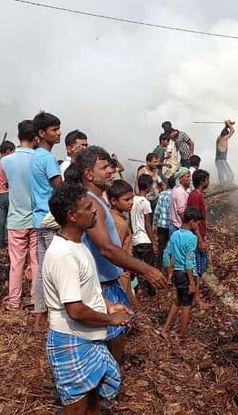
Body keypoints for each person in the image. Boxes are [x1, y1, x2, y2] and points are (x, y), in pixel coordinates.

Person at [43, 182, 130, 414]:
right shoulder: (64, 254)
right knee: (77, 409)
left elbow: (88, 292)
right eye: (88, 208)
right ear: (72, 216)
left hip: (87, 338)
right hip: (72, 340)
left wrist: (109, 306)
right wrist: (110, 319)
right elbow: (75, 310)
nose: (95, 212)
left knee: (93, 404)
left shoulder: (78, 245)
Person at [74, 146, 167, 363]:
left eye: (111, 166)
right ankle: (108, 380)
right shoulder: (91, 203)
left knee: (116, 337)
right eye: (104, 167)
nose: (111, 171)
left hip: (108, 282)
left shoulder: (99, 200)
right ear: (89, 174)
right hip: (101, 285)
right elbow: (106, 248)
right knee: (109, 341)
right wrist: (146, 269)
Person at [1, 120, 40, 310]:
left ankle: (14, 301)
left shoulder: (6, 161)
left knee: (16, 263)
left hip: (16, 219)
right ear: (37, 137)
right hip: (37, 218)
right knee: (37, 261)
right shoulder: (40, 159)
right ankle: (36, 299)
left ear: (18, 136)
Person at [30, 111, 64, 330]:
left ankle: (40, 318)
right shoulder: (49, 159)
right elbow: (60, 188)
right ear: (42, 133)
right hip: (52, 220)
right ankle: (57, 317)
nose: (58, 133)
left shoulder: (35, 157)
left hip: (39, 219)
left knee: (43, 271)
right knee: (57, 270)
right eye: (54, 130)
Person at [161, 207, 203, 337]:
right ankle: (182, 335)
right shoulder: (192, 238)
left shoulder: (175, 234)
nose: (197, 227)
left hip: (177, 274)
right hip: (187, 275)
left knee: (178, 300)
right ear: (191, 222)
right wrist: (192, 282)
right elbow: (189, 262)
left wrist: (169, 273)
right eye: (197, 224)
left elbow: (166, 254)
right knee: (186, 305)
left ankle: (165, 329)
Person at [107, 180, 138, 307]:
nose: (131, 202)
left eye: (132, 198)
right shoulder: (119, 224)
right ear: (114, 201)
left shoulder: (115, 218)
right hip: (120, 274)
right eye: (126, 200)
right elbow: (114, 251)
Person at [186, 169, 211, 307]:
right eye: (207, 179)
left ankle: (196, 295)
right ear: (202, 181)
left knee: (198, 267)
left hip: (197, 235)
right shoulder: (196, 196)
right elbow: (193, 220)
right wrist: (200, 239)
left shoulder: (196, 195)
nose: (209, 182)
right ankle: (196, 298)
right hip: (196, 237)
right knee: (197, 268)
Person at [131, 174, 157, 296]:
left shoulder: (132, 200)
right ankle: (152, 292)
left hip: (135, 239)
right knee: (149, 267)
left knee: (137, 268)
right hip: (145, 239)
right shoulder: (145, 202)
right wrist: (154, 242)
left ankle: (138, 290)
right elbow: (147, 224)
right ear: (148, 186)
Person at [153, 177, 175, 270]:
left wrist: (154, 224)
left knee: (161, 248)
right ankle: (169, 269)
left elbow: (157, 211)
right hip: (172, 225)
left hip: (161, 225)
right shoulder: (175, 195)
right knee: (172, 249)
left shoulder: (162, 194)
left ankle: (159, 268)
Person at [169, 168, 191, 235]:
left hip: (174, 225)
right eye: (187, 177)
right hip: (179, 227)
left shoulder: (176, 189)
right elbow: (182, 212)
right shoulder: (180, 192)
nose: (190, 179)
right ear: (180, 179)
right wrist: (188, 227)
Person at [215, 120, 235, 185]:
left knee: (222, 176)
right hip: (222, 160)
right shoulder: (224, 139)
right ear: (226, 135)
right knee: (231, 175)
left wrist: (226, 125)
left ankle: (223, 186)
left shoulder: (218, 138)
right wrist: (229, 124)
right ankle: (228, 186)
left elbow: (223, 131)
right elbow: (232, 131)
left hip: (217, 160)